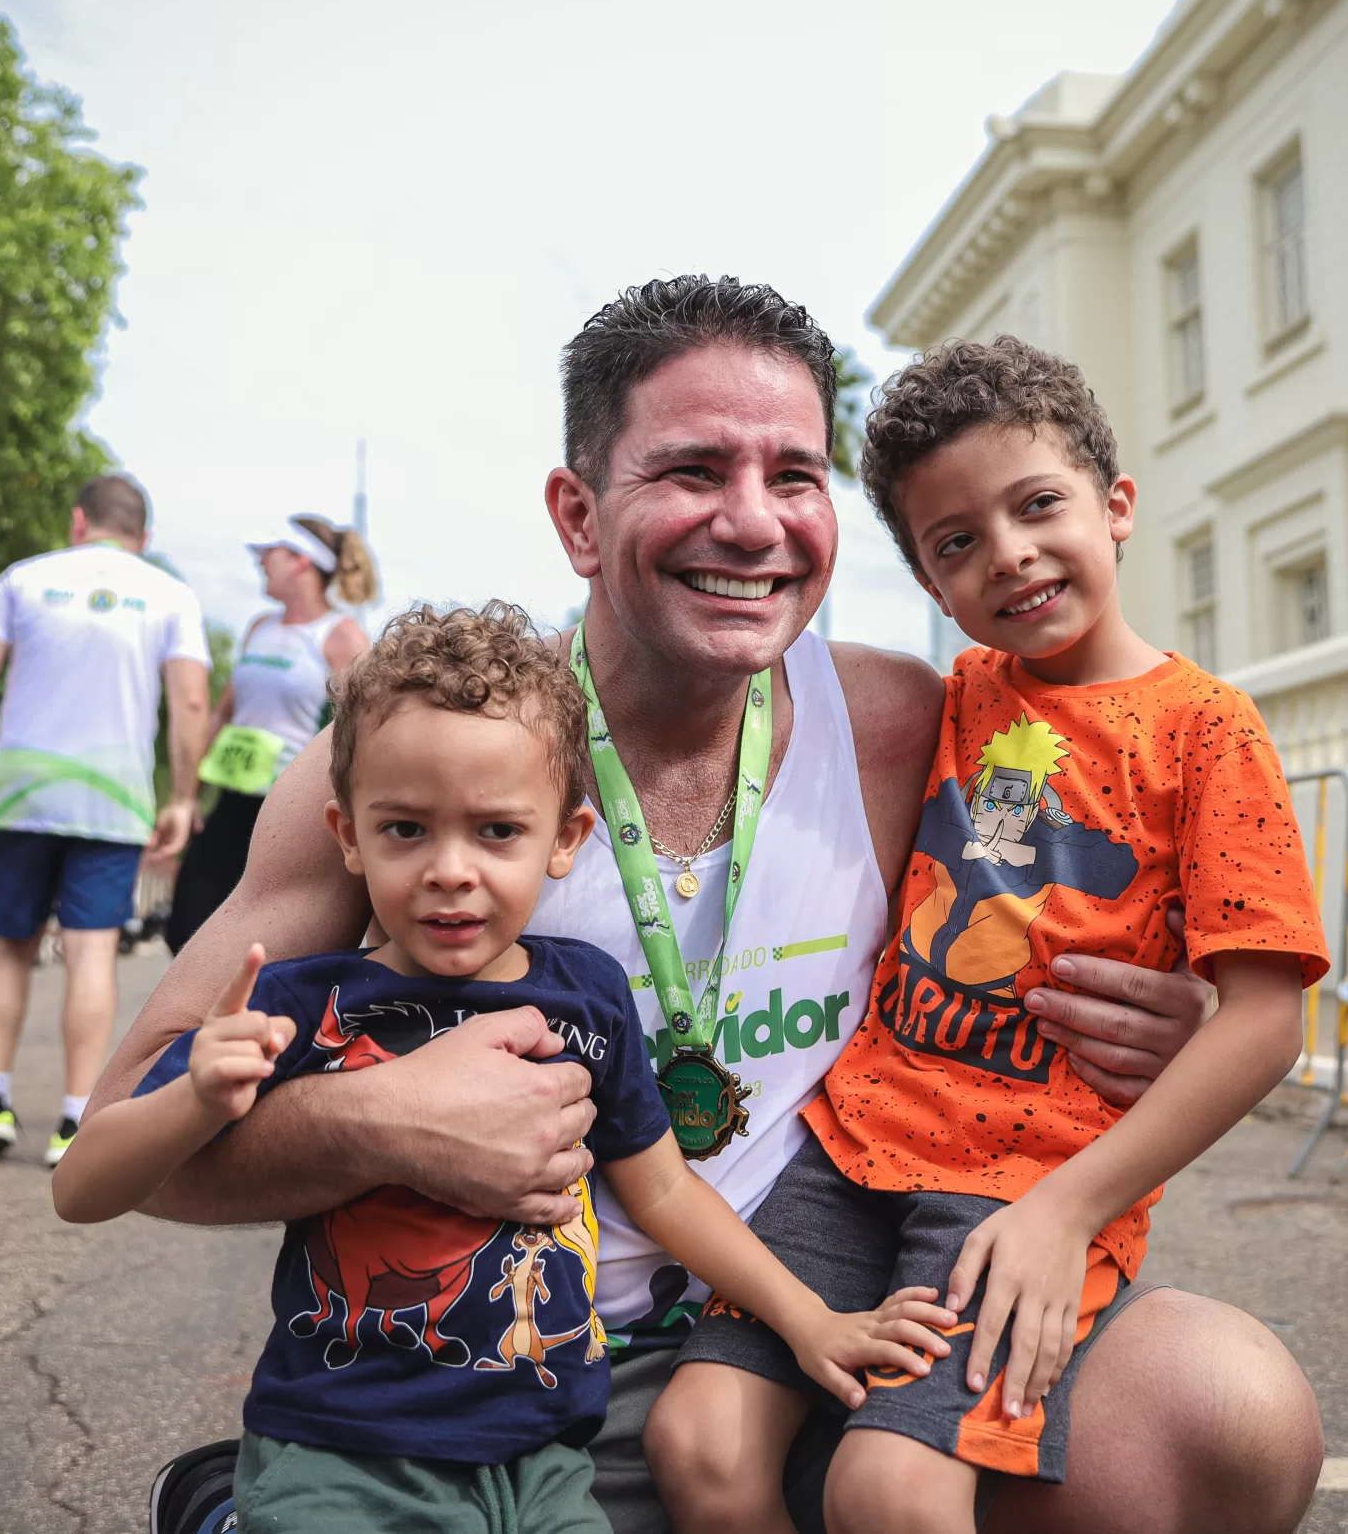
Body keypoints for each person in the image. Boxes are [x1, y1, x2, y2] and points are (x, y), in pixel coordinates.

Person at [93, 277, 1325, 1534]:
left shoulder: (904, 723)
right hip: (513, 1383)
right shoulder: (418, 773)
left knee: (1224, 1412)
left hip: (833, 1325)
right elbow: (130, 1131)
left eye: (793, 476)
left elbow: (1096, 849)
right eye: (691, 470)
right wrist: (379, 1122)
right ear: (578, 514)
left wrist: (1169, 1015)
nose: (751, 524)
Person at [59, 603, 954, 1532]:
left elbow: (668, 1195)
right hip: (345, 1452)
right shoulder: (301, 1005)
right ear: (347, 834)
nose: (451, 869)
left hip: (544, 1460)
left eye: (496, 831)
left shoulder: (586, 998)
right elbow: (84, 1184)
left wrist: (812, 1322)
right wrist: (198, 1097)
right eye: (406, 829)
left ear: (564, 839)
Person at [644, 336, 1329, 1533]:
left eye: (1037, 505)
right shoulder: (952, 700)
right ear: (928, 579)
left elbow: (1265, 1020)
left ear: (1115, 506)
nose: (1006, 554)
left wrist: (1069, 1210)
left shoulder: (1205, 731)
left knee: (891, 1489)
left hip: (1022, 1189)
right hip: (844, 1154)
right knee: (697, 1444)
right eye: (955, 542)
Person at [0, 472, 209, 1168]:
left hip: (23, 789)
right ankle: (73, 1119)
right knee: (90, 950)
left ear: (77, 521)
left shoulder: (23, 578)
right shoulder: (169, 594)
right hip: (114, 796)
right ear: (143, 537)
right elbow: (189, 705)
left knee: (9, 943)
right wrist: (182, 795)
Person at [163, 515, 374, 955]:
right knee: (185, 925)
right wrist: (188, 796)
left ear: (300, 561)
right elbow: (224, 714)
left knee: (268, 944)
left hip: (292, 806)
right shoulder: (261, 628)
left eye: (269, 553)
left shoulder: (341, 636)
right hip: (231, 798)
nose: (260, 562)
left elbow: (368, 730)